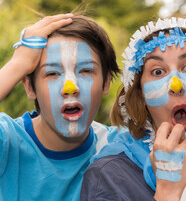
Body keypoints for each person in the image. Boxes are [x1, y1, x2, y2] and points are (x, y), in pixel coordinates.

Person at [80, 17, 186, 200]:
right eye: (158, 71)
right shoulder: (109, 176)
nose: (176, 84)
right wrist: (167, 192)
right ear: (141, 96)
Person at [0, 13, 122, 200]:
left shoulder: (121, 149)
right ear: (30, 87)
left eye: (86, 70)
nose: (70, 87)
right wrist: (18, 64)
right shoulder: (7, 142)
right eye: (52, 73)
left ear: (106, 82)